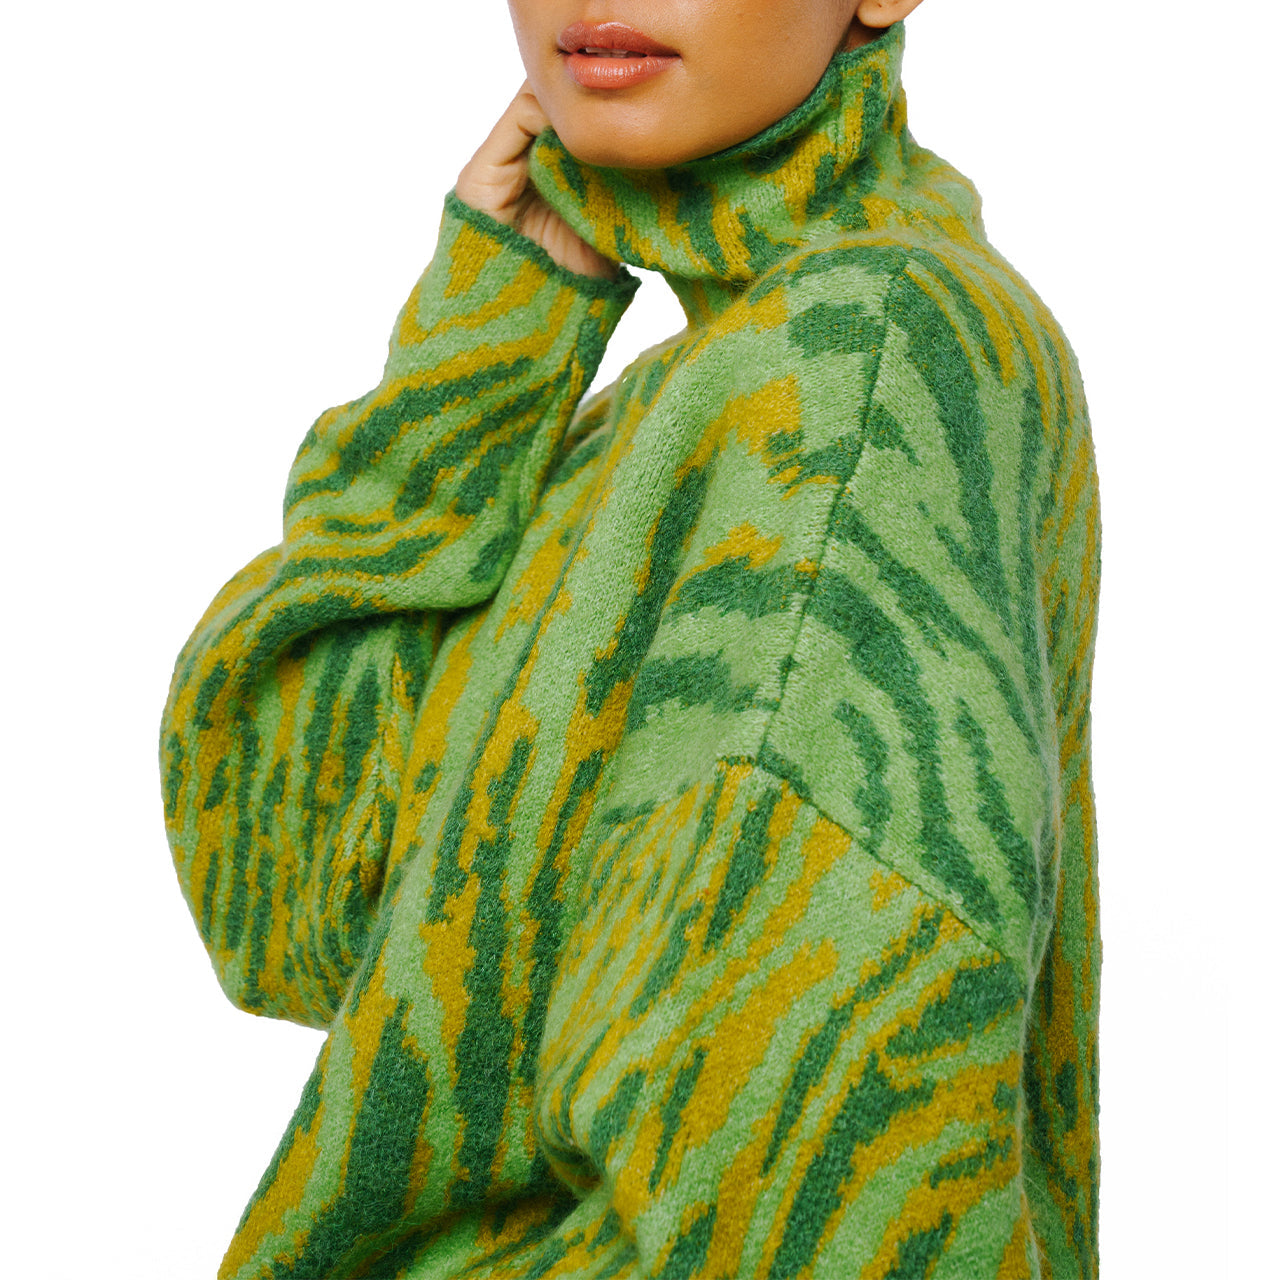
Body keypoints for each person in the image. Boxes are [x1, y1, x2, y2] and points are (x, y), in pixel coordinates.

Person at [158, 0, 1103, 1276]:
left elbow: (814, 1194)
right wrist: (483, 352)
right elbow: (293, 902)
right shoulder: (696, 388)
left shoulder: (862, 350)